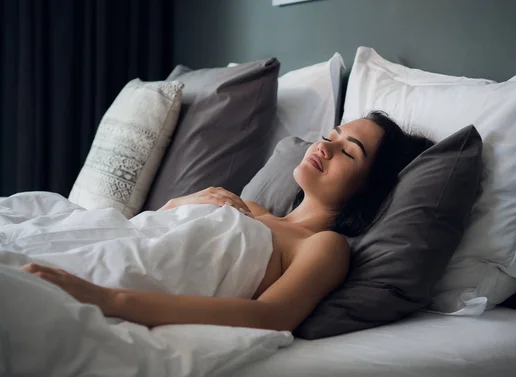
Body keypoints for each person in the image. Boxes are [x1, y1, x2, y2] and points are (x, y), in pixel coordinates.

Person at [20, 111, 434, 332]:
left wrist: (109, 299)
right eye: (332, 134)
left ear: (370, 187)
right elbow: (142, 231)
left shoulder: (322, 246)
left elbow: (271, 318)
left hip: (115, 282)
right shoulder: (248, 207)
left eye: (349, 150)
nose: (326, 146)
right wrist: (179, 202)